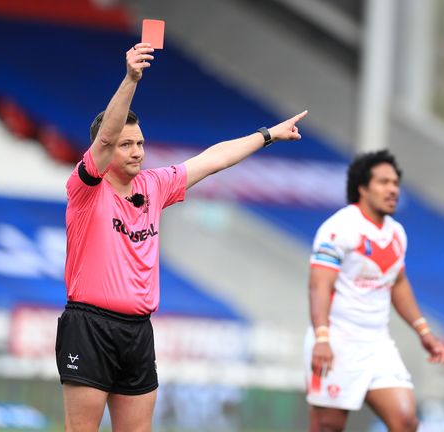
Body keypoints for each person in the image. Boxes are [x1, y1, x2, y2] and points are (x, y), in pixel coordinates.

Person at [57, 42, 308, 431]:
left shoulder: (155, 185)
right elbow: (104, 140)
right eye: (127, 144)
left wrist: (267, 135)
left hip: (138, 330)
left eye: (140, 142)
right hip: (89, 327)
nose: (137, 151)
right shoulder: (86, 189)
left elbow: (213, 159)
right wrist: (131, 78)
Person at [305, 150, 444, 432]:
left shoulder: (397, 233)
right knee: (327, 426)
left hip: (377, 344)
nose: (393, 189)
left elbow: (398, 282)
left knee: (406, 420)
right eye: (383, 182)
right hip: (337, 342)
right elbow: (319, 284)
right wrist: (322, 337)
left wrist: (423, 331)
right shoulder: (340, 228)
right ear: (363, 187)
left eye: (395, 183)